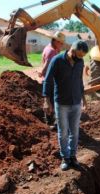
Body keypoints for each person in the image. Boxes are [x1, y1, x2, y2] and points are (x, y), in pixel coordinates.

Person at [42, 40, 89, 171]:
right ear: (72, 51)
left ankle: (73, 156)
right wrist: (46, 100)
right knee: (63, 132)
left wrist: (84, 98)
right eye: (79, 56)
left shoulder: (80, 62)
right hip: (61, 103)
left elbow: (80, 80)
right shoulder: (57, 60)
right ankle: (65, 158)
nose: (80, 59)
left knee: (74, 131)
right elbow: (47, 80)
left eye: (82, 57)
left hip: (76, 102)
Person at [39, 31, 65, 129]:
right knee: (53, 101)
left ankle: (50, 122)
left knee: (51, 100)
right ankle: (51, 123)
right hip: (51, 80)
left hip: (48, 79)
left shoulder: (49, 48)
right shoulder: (52, 51)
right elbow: (47, 65)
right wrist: (42, 72)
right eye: (60, 43)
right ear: (55, 41)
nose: (62, 45)